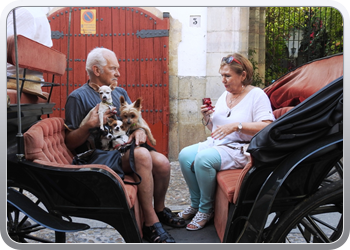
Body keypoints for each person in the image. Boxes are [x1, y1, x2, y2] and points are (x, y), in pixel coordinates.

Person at [64, 47, 185, 243]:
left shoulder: (120, 91)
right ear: (97, 70)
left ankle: (160, 210)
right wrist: (88, 125)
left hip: (123, 148)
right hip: (99, 155)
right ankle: (150, 224)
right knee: (143, 156)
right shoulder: (78, 97)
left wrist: (140, 130)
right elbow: (70, 142)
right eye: (113, 68)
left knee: (162, 162)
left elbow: (135, 121)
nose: (118, 73)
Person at [178, 53, 275, 231]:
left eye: (228, 76)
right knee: (184, 156)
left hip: (239, 149)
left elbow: (267, 126)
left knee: (204, 159)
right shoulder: (225, 96)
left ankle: (206, 210)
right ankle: (196, 203)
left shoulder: (257, 95)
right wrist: (207, 117)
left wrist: (237, 126)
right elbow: (216, 129)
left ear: (243, 75)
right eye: (222, 75)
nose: (223, 80)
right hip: (218, 143)